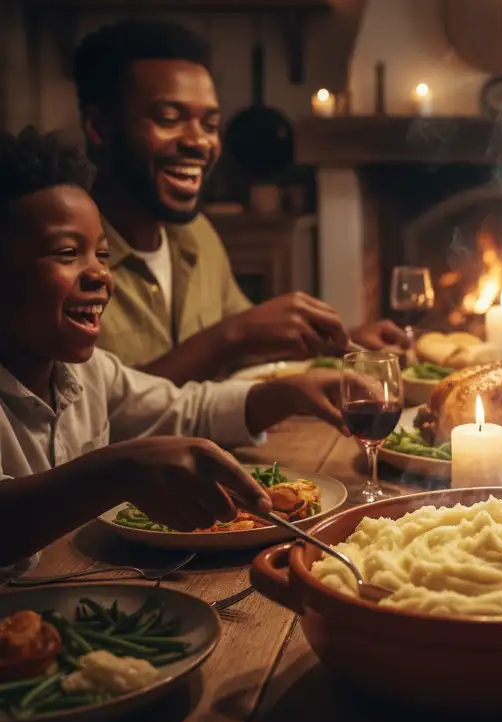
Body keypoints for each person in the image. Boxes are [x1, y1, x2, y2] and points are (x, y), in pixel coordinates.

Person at [0, 128, 350, 569]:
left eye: (102, 255)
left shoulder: (91, 373)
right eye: (68, 253)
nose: (100, 276)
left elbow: (187, 410)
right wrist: (117, 470)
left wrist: (291, 392)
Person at [72, 19, 407, 385]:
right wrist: (231, 336)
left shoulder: (197, 235)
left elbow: (254, 341)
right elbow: (91, 411)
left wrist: (346, 342)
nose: (199, 142)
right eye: (169, 118)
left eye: (210, 124)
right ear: (99, 128)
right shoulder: (64, 263)